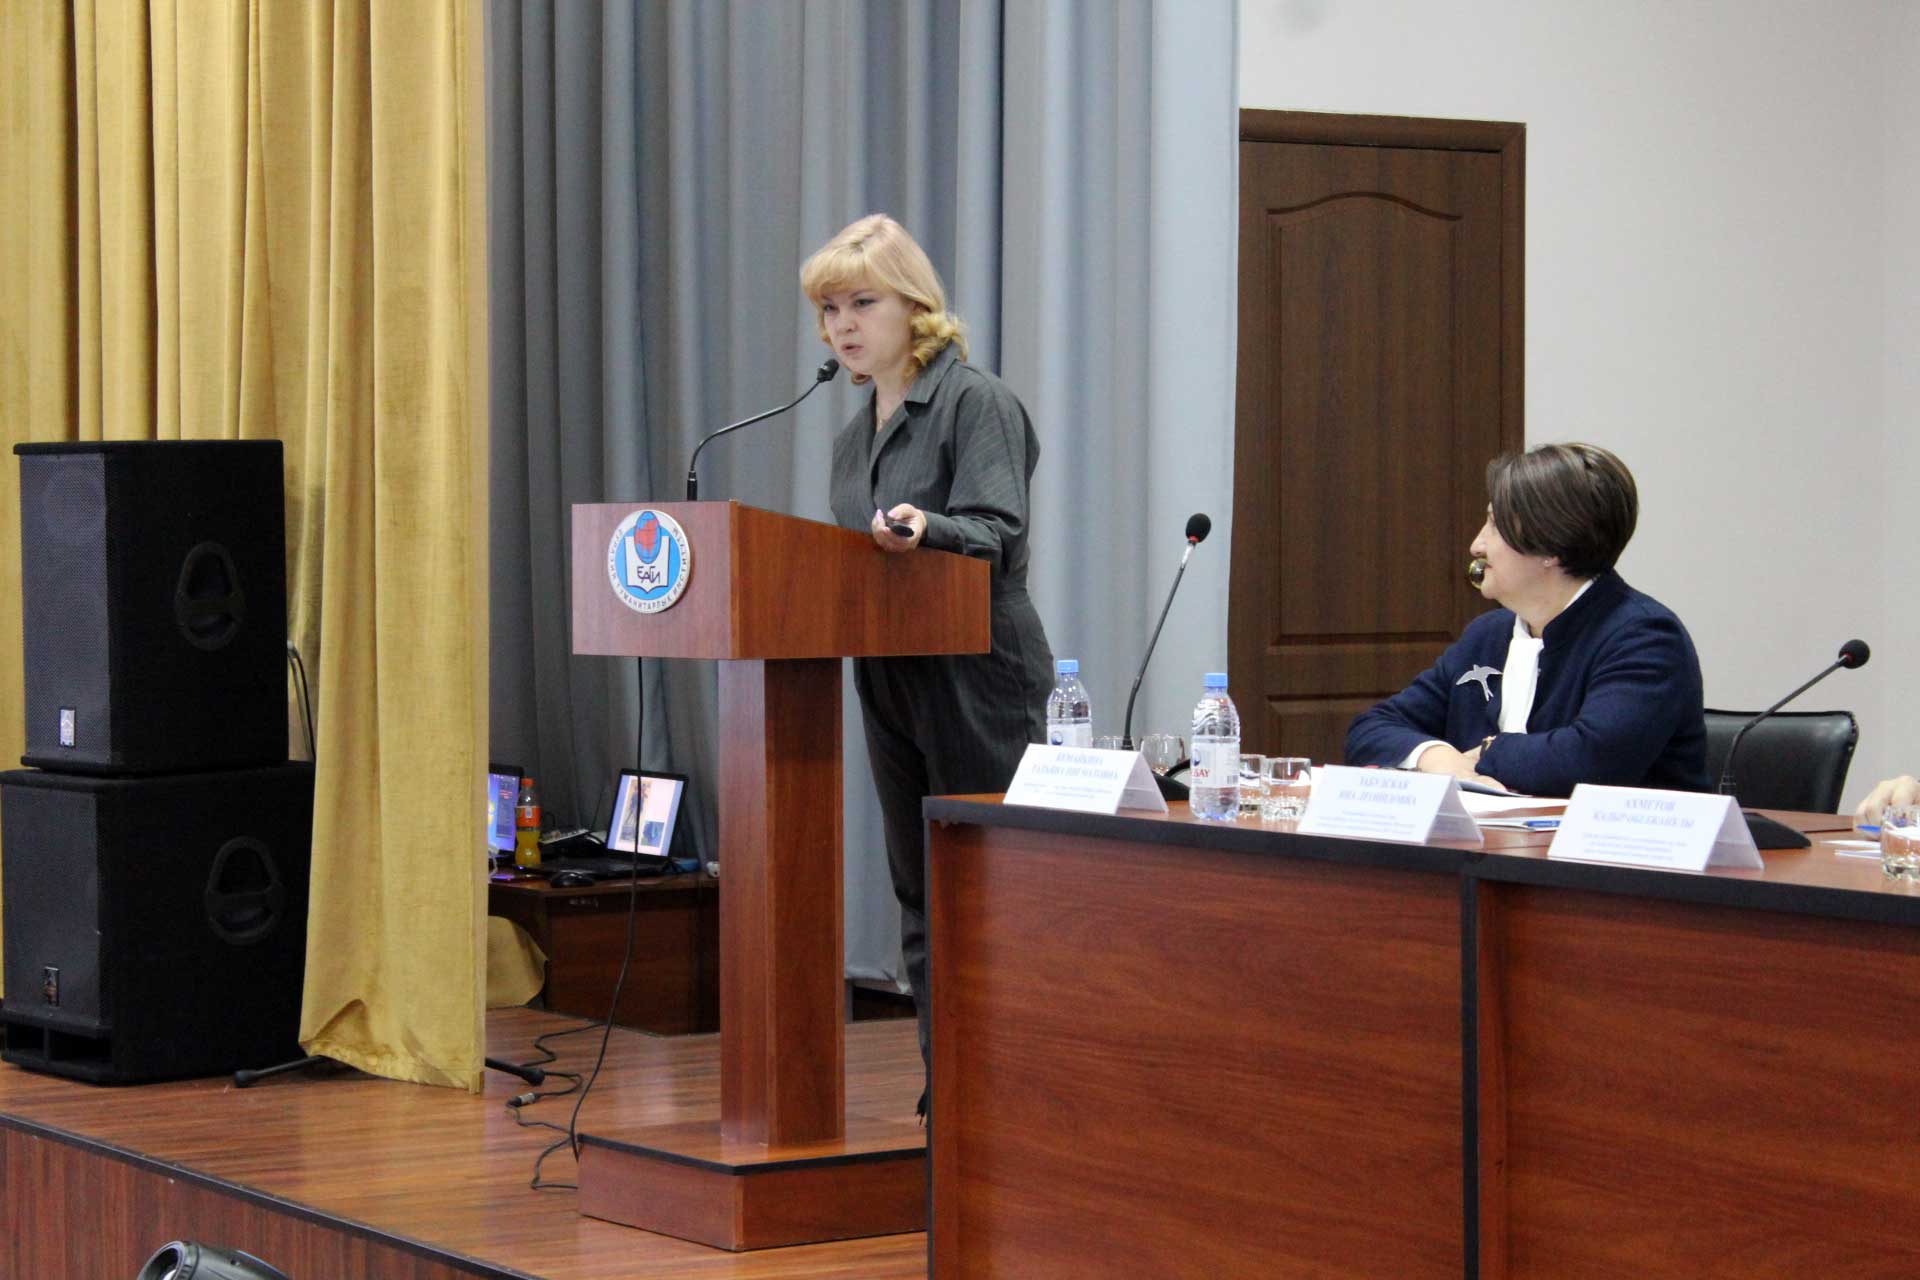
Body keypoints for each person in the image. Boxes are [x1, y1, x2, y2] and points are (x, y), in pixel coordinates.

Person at [801, 214, 1055, 1116]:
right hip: (889, 668)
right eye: (829, 309)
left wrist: (926, 527)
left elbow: (998, 528)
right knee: (920, 883)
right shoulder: (851, 436)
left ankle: (1019, 1082)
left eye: (861, 303)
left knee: (991, 876)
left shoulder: (972, 402)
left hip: (976, 665)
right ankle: (949, 1079)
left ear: (916, 305)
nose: (842, 325)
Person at [1346, 442, 1709, 797]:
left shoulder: (1645, 638)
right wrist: (1438, 758)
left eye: (1494, 525)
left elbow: (1590, 760)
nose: (1476, 545)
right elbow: (1371, 729)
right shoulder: (1487, 634)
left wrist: (1489, 753)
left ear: (1550, 544)